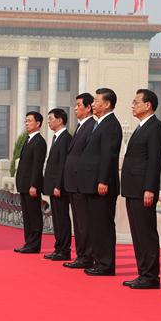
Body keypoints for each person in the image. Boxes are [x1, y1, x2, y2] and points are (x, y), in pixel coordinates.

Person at [120, 89, 161, 289]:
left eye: (136, 102)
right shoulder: (141, 127)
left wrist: (149, 188)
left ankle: (151, 275)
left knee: (146, 232)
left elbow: (154, 161)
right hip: (132, 188)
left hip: (143, 189)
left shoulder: (155, 127)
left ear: (148, 105)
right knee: (137, 233)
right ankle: (143, 272)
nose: (132, 105)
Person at [78, 88, 122, 276]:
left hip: (102, 185)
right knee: (95, 224)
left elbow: (108, 156)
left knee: (103, 224)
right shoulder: (100, 124)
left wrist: (103, 180)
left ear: (107, 104)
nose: (93, 104)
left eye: (96, 101)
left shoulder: (111, 125)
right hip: (91, 183)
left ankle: (106, 264)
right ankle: (99, 261)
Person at [61, 93, 96, 269]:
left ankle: (87, 256)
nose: (75, 108)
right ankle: (81, 254)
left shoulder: (91, 126)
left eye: (78, 105)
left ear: (88, 107)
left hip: (81, 182)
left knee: (84, 222)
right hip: (73, 183)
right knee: (79, 221)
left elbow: (87, 157)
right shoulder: (81, 126)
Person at [14, 111, 47, 253]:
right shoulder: (28, 140)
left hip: (31, 186)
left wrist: (34, 184)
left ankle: (34, 244)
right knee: (27, 216)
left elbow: (37, 166)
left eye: (29, 121)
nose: (27, 123)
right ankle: (28, 242)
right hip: (23, 184)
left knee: (34, 216)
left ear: (38, 123)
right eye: (26, 121)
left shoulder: (39, 141)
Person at [42, 108, 72, 261]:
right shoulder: (56, 138)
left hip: (59, 187)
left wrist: (59, 185)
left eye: (51, 119)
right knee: (57, 218)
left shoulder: (66, 138)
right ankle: (58, 247)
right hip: (53, 186)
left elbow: (63, 164)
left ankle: (64, 249)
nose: (48, 122)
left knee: (62, 218)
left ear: (60, 120)